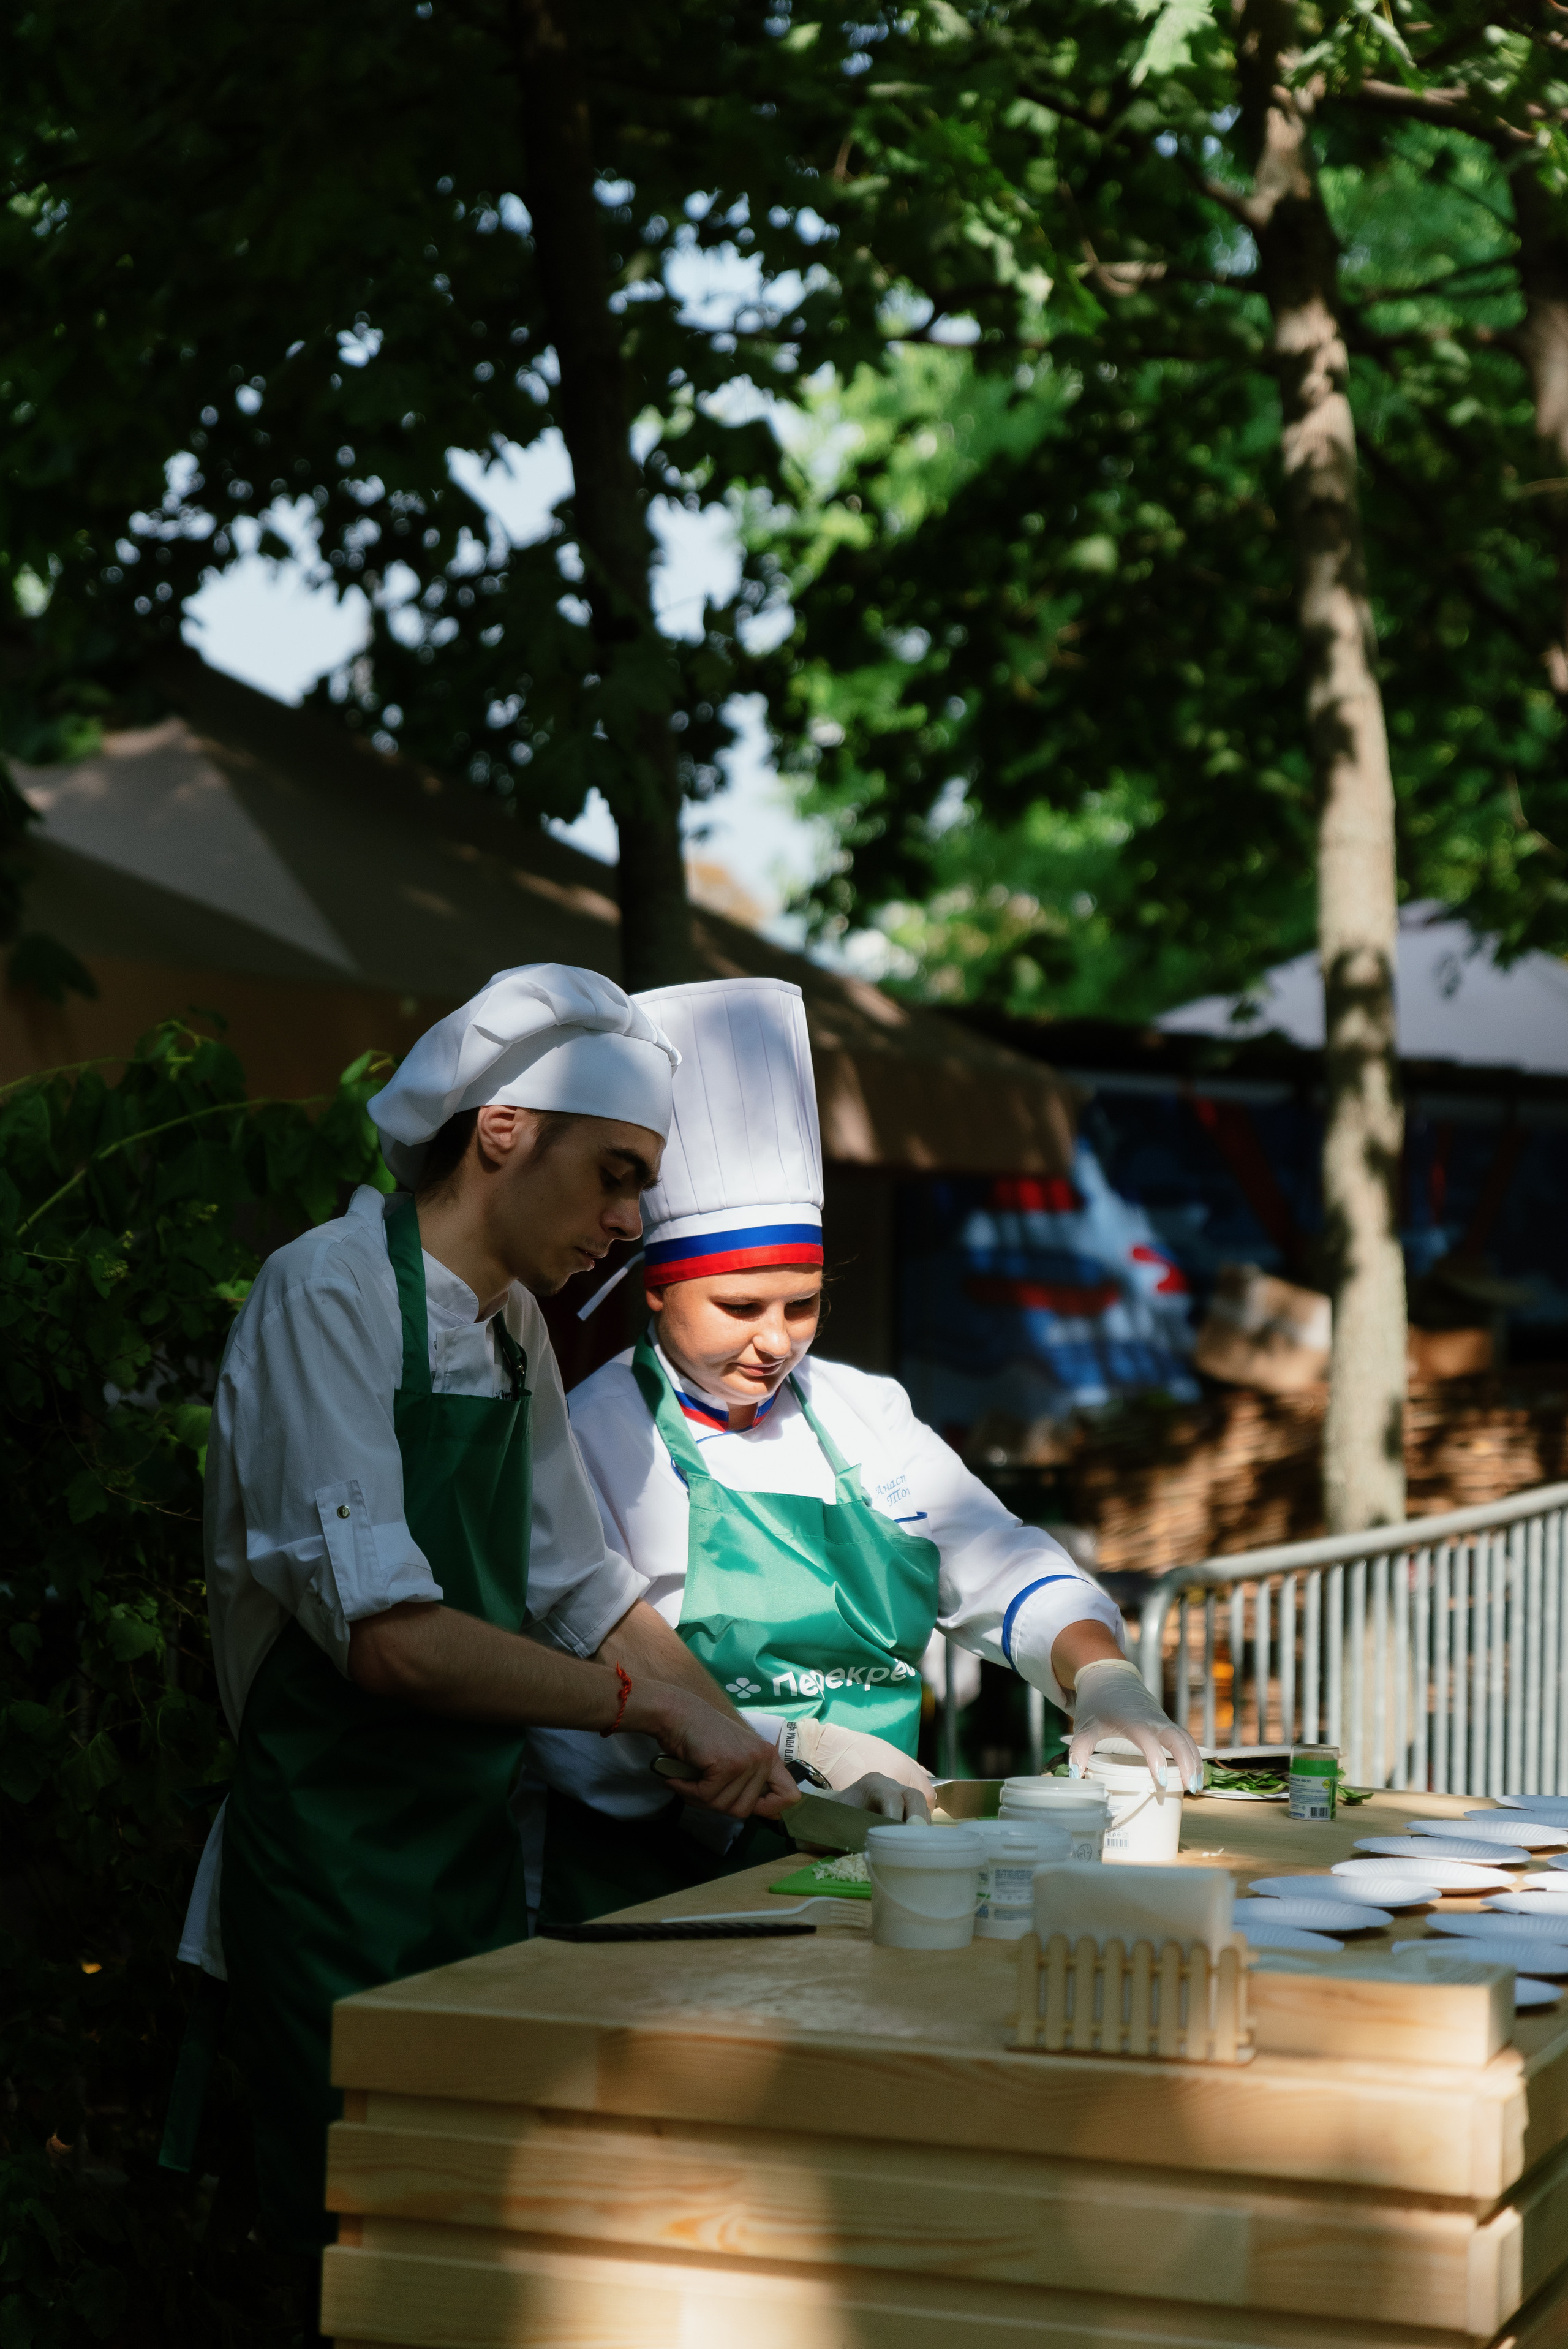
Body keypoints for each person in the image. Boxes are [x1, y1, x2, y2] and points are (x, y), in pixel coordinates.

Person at [168, 965, 795, 2277]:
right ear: (503, 1129)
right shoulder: (327, 1290)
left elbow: (583, 1588)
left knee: (470, 2250)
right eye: (616, 1175)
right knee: (360, 2250)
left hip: (465, 1863)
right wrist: (646, 1709)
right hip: (331, 1868)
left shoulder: (513, 1328)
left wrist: (751, 1747)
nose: (629, 1220)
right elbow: (389, 1639)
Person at [531, 976, 1201, 1924]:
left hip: (878, 1870)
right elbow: (586, 1712)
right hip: (663, 1891)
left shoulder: (863, 1411)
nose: (776, 1340)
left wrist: (1101, 1675)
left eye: (802, 1304)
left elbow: (1000, 1560)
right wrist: (801, 1750)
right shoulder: (589, 1435)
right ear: (656, 1290)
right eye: (739, 1307)